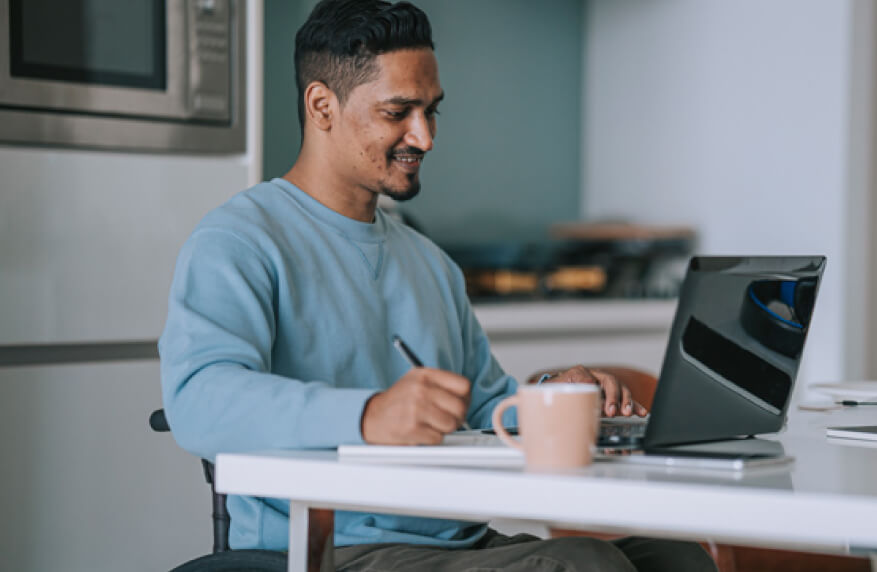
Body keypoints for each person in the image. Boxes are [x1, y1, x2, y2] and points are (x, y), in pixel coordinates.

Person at [158, 1, 716, 570]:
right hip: (332, 547)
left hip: (455, 543)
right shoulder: (240, 239)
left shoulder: (429, 262)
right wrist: (369, 414)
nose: (423, 137)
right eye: (398, 111)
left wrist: (557, 395)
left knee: (675, 559)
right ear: (322, 106)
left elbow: (483, 407)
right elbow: (199, 402)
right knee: (583, 565)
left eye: (431, 111)